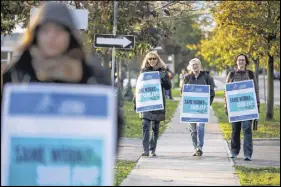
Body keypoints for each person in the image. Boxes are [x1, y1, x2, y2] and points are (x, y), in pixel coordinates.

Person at [1, 2, 124, 151]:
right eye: (45, 30)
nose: (52, 37)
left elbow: (113, 122)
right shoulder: (16, 72)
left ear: (70, 35)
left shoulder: (93, 75)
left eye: (59, 31)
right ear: (35, 34)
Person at [133, 51, 171, 157]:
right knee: (145, 125)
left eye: (154, 58)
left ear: (158, 60)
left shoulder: (163, 72)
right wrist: (135, 101)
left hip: (157, 103)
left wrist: (164, 80)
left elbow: (168, 87)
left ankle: (152, 149)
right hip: (145, 103)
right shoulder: (143, 72)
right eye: (150, 59)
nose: (152, 61)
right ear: (147, 60)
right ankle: (145, 150)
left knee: (155, 126)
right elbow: (138, 88)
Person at [224, 54, 260, 161]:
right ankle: (234, 151)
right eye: (239, 60)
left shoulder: (250, 74)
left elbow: (256, 90)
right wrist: (226, 107)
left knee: (247, 129)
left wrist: (257, 106)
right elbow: (226, 92)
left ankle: (248, 154)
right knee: (235, 130)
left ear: (246, 62)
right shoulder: (231, 74)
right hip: (235, 108)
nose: (241, 61)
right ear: (236, 62)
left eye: (243, 60)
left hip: (248, 108)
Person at [182, 58, 215, 156]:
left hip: (202, 109)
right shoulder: (187, 78)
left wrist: (207, 104)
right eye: (193, 65)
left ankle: (200, 147)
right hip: (190, 108)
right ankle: (195, 147)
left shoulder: (207, 77)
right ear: (190, 67)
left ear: (200, 65)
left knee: (200, 126)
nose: (195, 66)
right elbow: (182, 92)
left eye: (196, 64)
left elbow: (212, 92)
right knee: (193, 129)